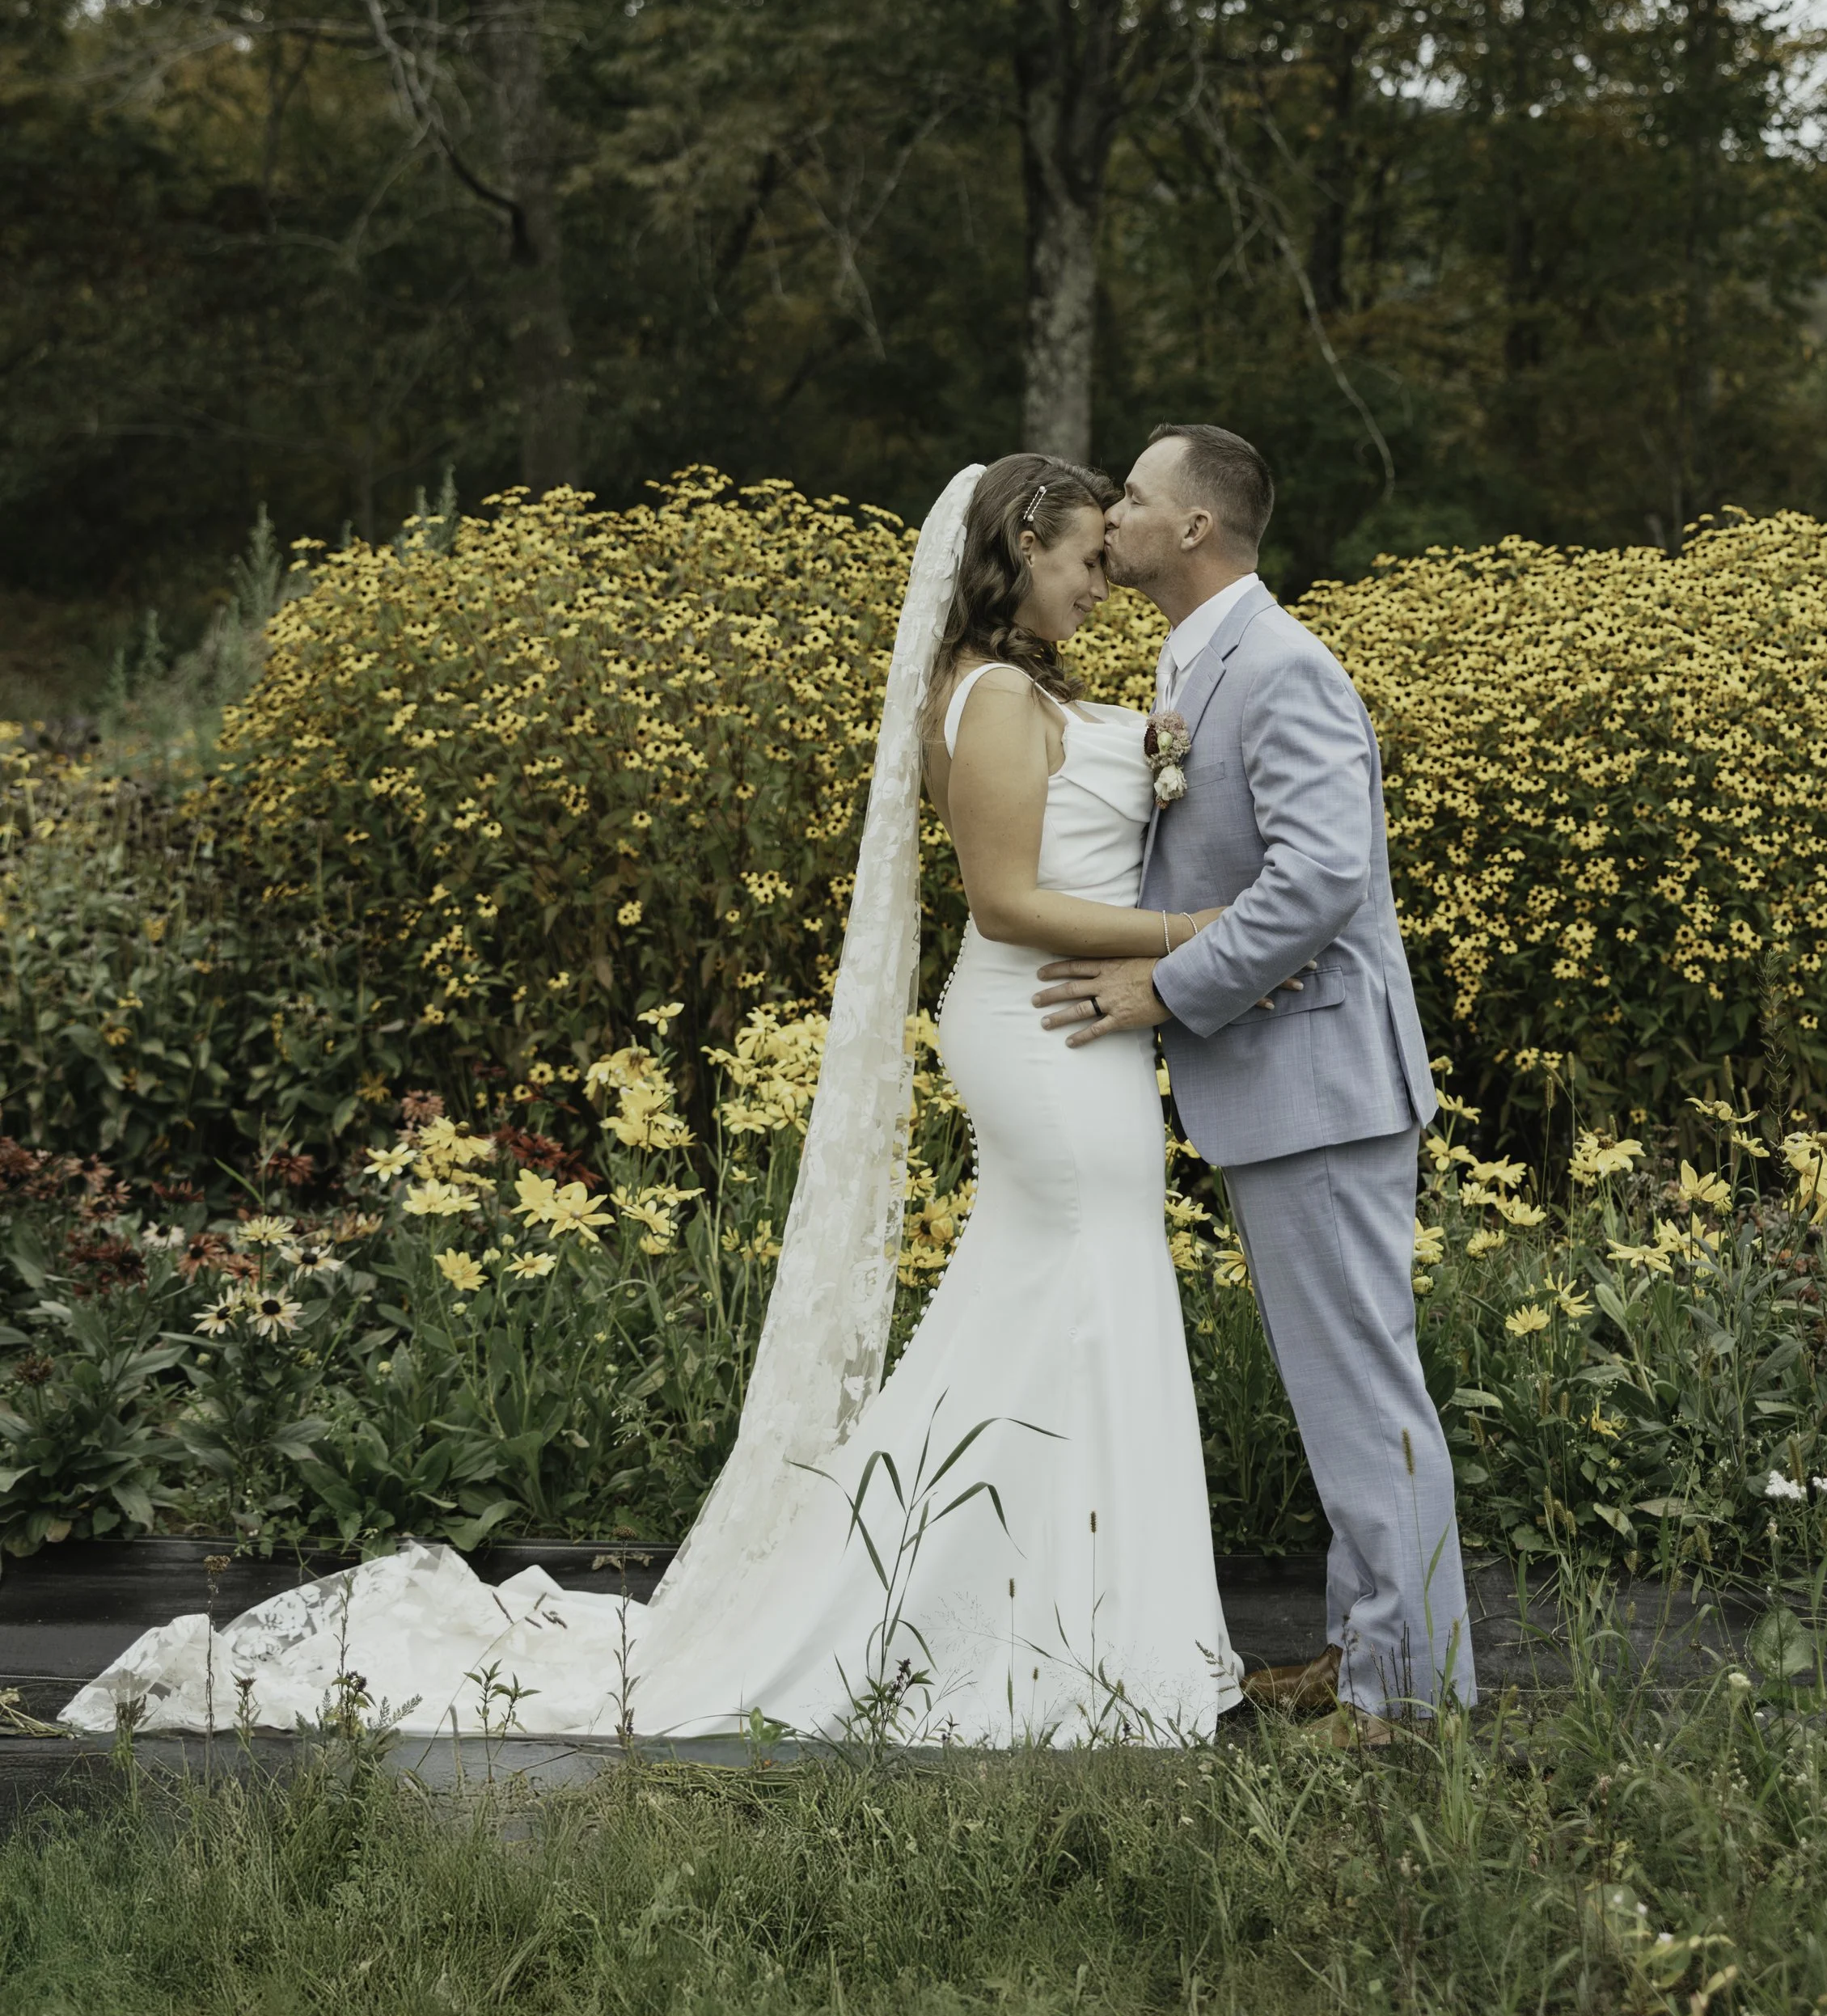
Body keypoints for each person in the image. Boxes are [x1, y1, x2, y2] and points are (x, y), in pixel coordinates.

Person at [66, 457, 1240, 1747]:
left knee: (1048, 1295)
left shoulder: (1005, 685)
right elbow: (1007, 901)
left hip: (1066, 1022)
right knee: (1085, 1276)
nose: (1094, 586)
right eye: (1079, 562)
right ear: (1024, 545)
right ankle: (1043, 1622)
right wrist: (1190, 930)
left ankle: (1038, 1605)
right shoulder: (1003, 696)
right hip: (1046, 1021)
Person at [1034, 423, 1474, 1735]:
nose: (1111, 513)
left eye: (1134, 497)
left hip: (1322, 1077)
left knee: (1362, 1385)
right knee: (1339, 1385)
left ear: (1194, 531)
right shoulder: (1197, 658)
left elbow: (1321, 879)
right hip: (1287, 1077)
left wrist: (1163, 987)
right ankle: (1366, 1647)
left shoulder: (1279, 666)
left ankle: (1405, 1691)